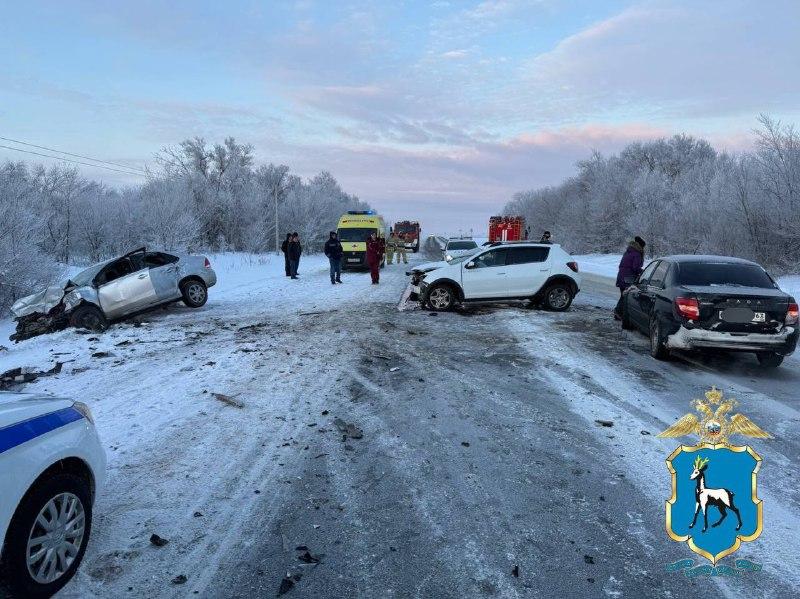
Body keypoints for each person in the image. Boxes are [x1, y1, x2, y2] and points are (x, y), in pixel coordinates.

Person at [614, 236, 646, 318]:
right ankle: (618, 312)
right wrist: (644, 272)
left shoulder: (628, 252)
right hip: (628, 278)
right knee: (626, 296)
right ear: (641, 246)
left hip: (621, 276)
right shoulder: (637, 254)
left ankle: (619, 313)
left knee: (623, 295)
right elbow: (635, 267)